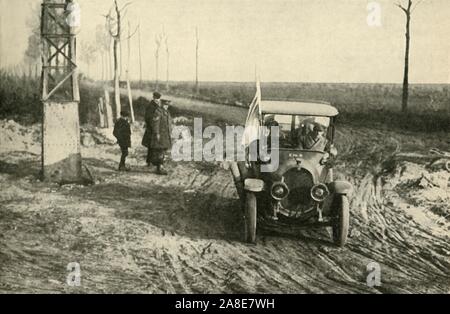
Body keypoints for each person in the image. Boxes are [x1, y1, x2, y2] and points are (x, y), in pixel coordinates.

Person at [149, 95, 172, 175]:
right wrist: (157, 133)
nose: (166, 106)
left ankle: (160, 166)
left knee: (163, 151)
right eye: (165, 104)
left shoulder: (167, 112)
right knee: (160, 152)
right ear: (162, 104)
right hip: (160, 136)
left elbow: (169, 123)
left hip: (166, 136)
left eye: (168, 105)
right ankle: (159, 168)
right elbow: (155, 124)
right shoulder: (158, 112)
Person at [142, 92, 161, 166]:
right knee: (151, 146)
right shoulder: (150, 106)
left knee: (156, 146)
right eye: (156, 99)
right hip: (151, 129)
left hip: (157, 128)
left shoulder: (159, 105)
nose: (157, 101)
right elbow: (147, 117)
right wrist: (153, 125)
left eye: (158, 99)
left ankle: (154, 161)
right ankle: (149, 162)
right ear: (153, 98)